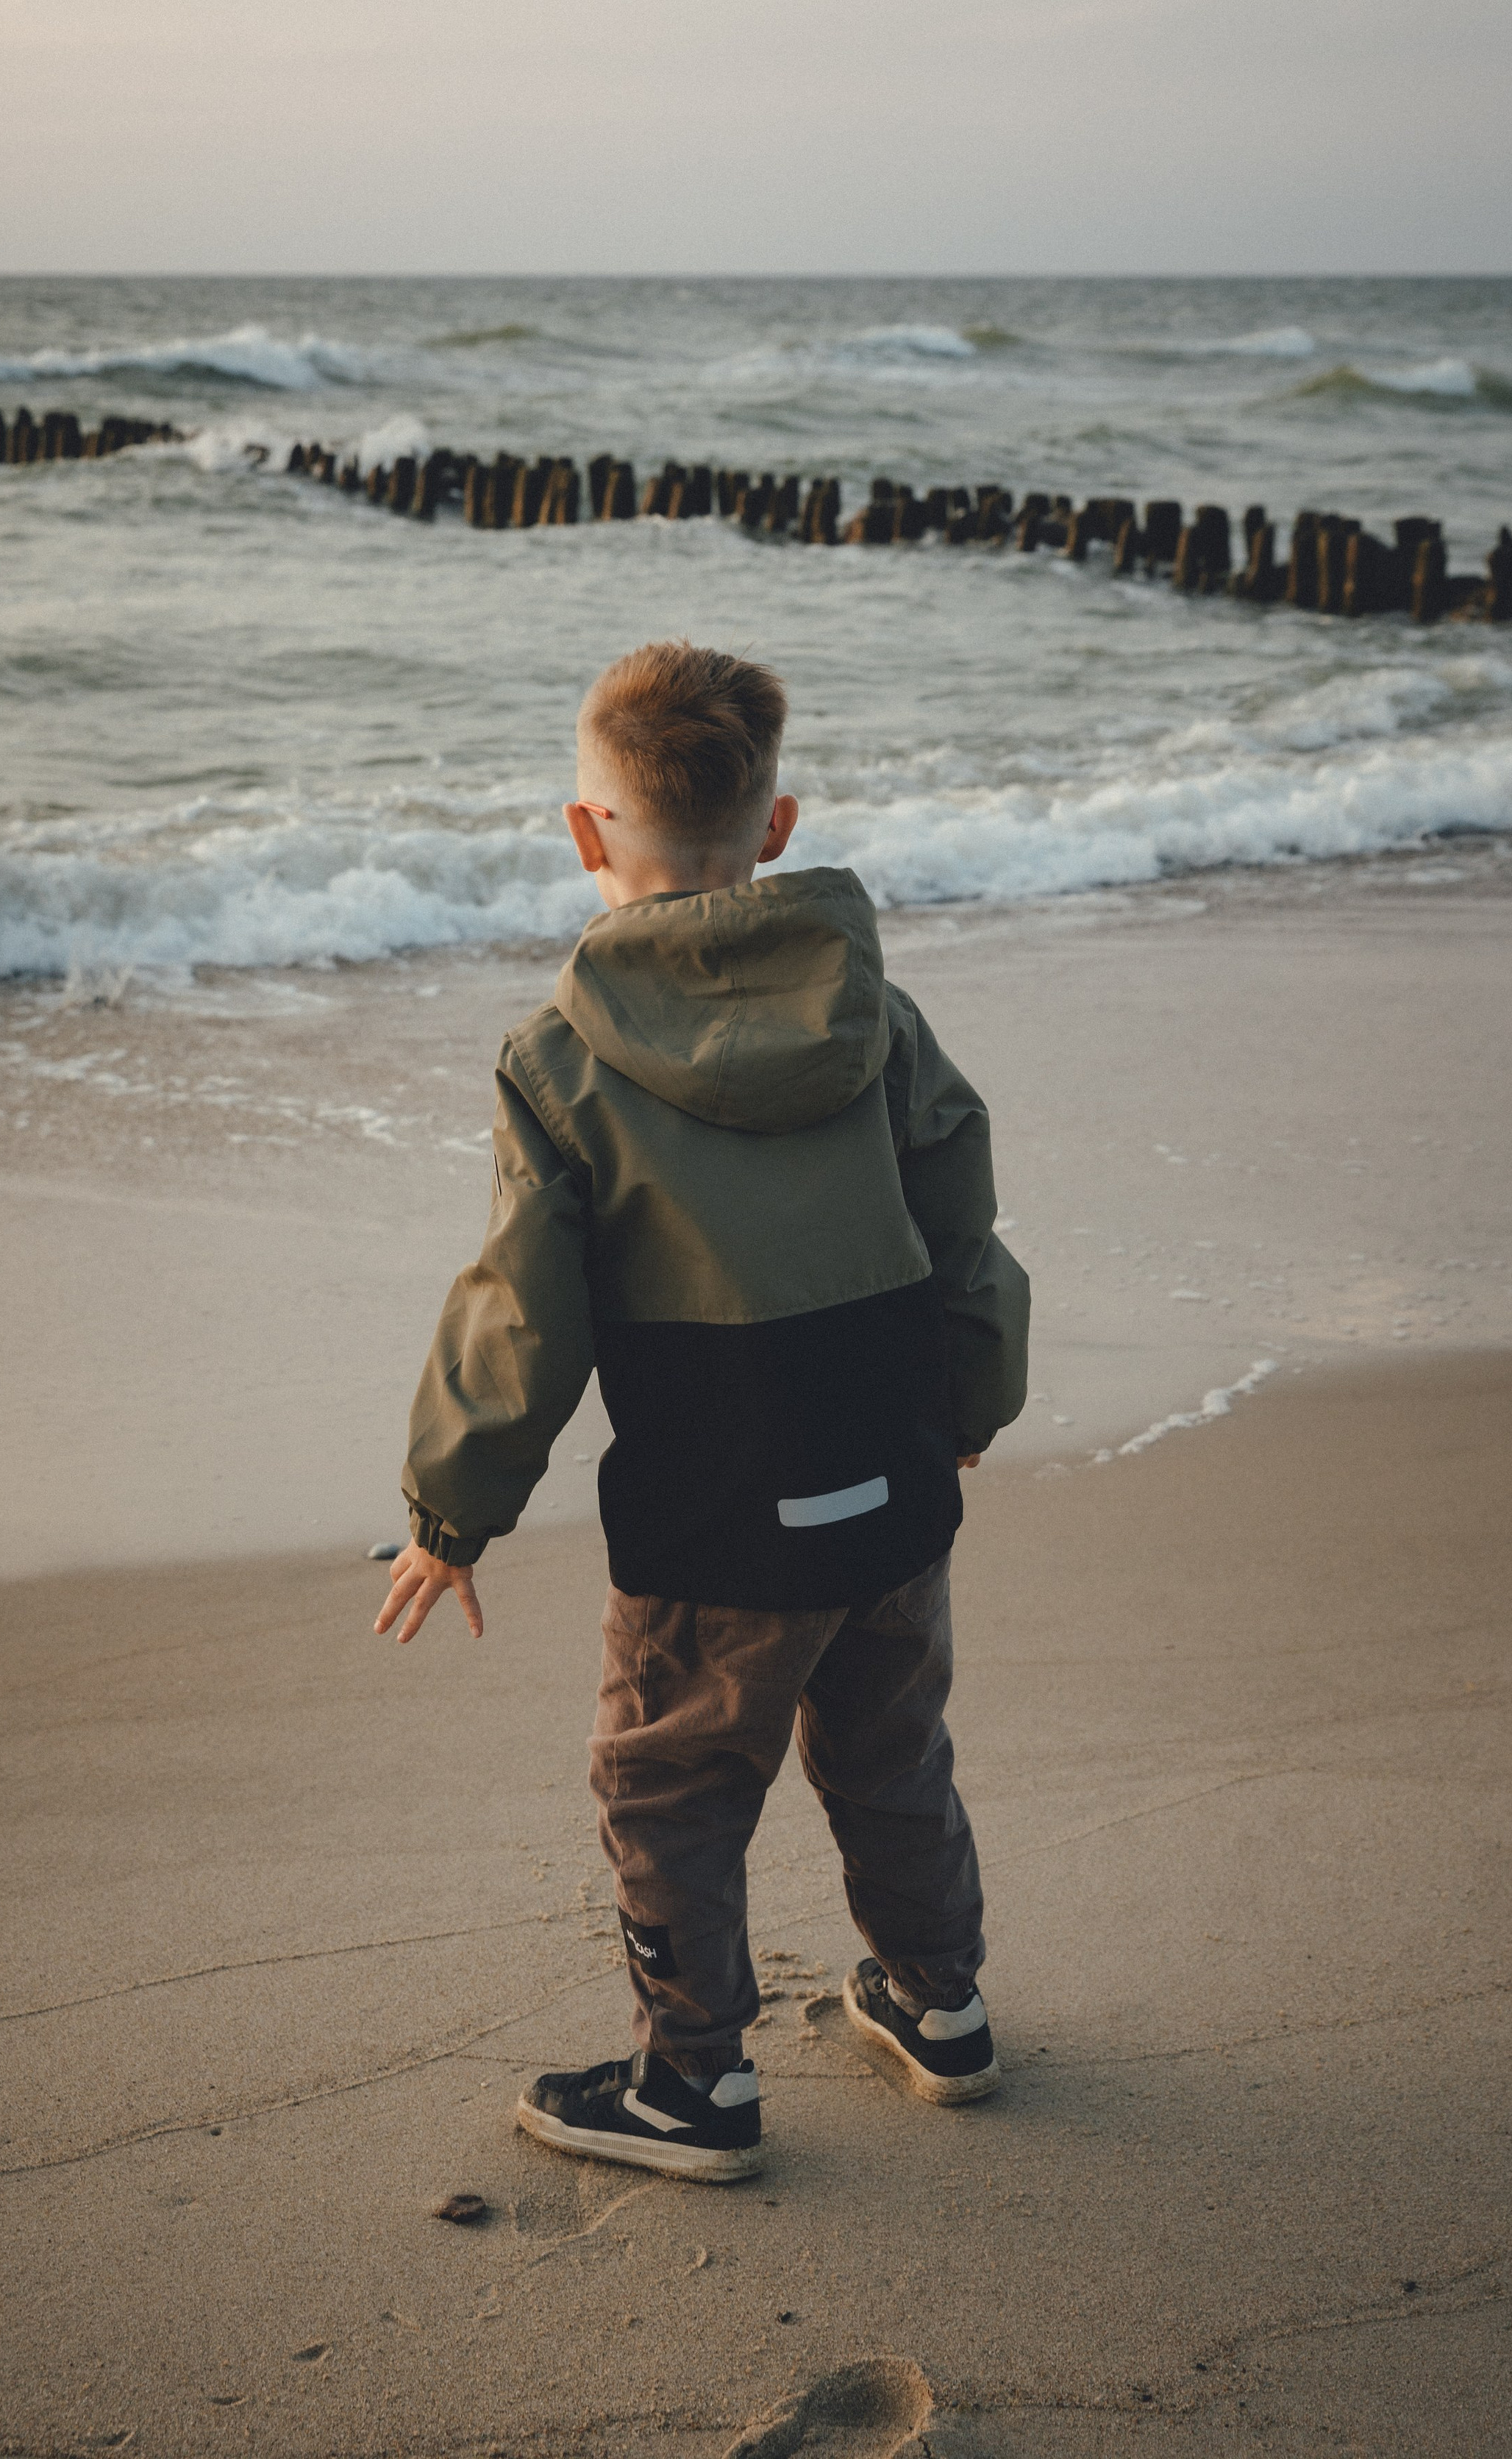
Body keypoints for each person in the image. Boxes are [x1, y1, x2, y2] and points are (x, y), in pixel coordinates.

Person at [375, 640, 1030, 2181]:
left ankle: (691, 2086)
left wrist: (446, 1514)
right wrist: (974, 1406)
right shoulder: (878, 1018)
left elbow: (517, 1312)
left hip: (710, 1518)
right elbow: (965, 1231)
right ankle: (942, 2011)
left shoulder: (557, 1061)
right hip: (889, 1470)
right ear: (778, 824)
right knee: (888, 1752)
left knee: (666, 1783)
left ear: (583, 831)